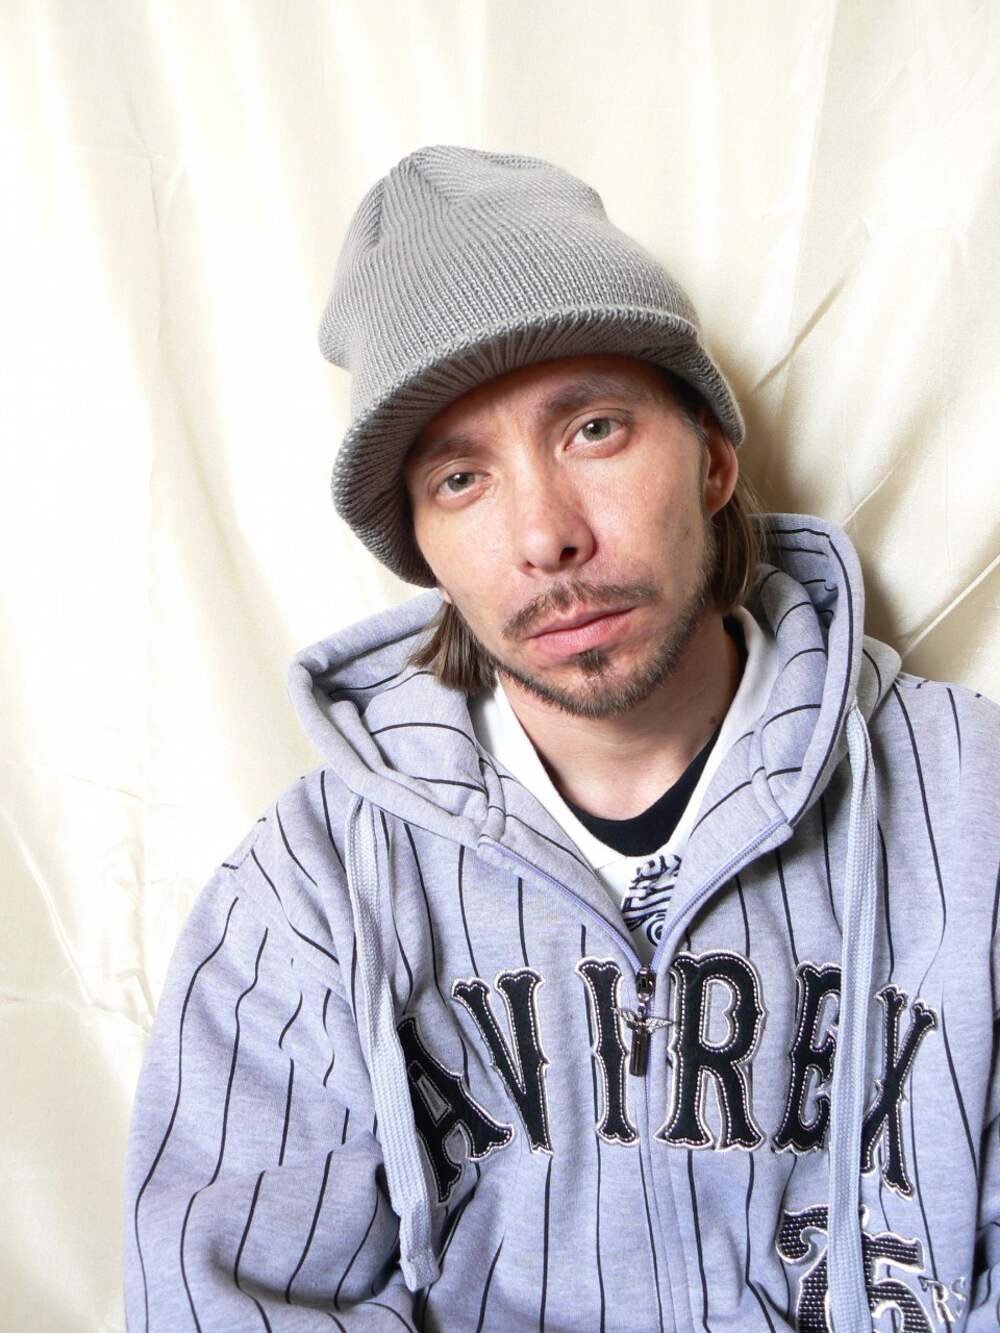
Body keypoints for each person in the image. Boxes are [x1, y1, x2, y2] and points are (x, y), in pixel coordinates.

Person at [123, 145, 999, 1332]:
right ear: (421, 550)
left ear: (712, 457)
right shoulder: (310, 890)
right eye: (460, 479)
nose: (545, 535)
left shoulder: (969, 797)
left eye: (592, 428)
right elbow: (225, 1300)